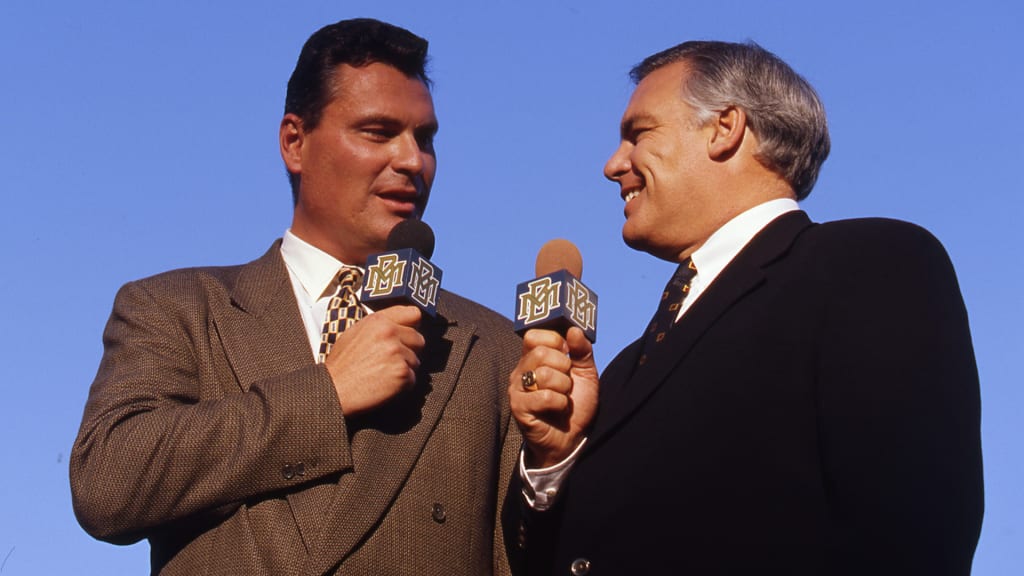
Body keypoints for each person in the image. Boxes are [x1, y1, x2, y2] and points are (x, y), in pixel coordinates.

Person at [505, 40, 983, 575]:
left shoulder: (871, 265)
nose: (613, 165)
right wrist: (555, 459)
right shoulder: (620, 372)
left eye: (639, 133)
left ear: (725, 128)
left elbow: (914, 532)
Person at [70, 18, 521, 575]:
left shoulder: (492, 348)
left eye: (424, 138)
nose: (412, 161)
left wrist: (555, 463)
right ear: (294, 142)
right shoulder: (178, 308)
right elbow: (106, 485)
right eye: (378, 132)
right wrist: (328, 393)